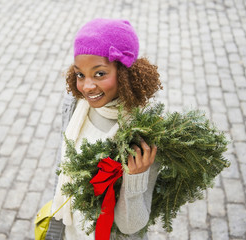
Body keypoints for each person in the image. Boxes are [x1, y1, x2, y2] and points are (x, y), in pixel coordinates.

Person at [48, 18, 162, 240]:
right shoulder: (75, 107)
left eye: (100, 73)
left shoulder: (142, 133)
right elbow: (62, 167)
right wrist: (55, 228)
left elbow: (131, 227)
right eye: (80, 74)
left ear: (124, 72)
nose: (87, 86)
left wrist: (135, 179)